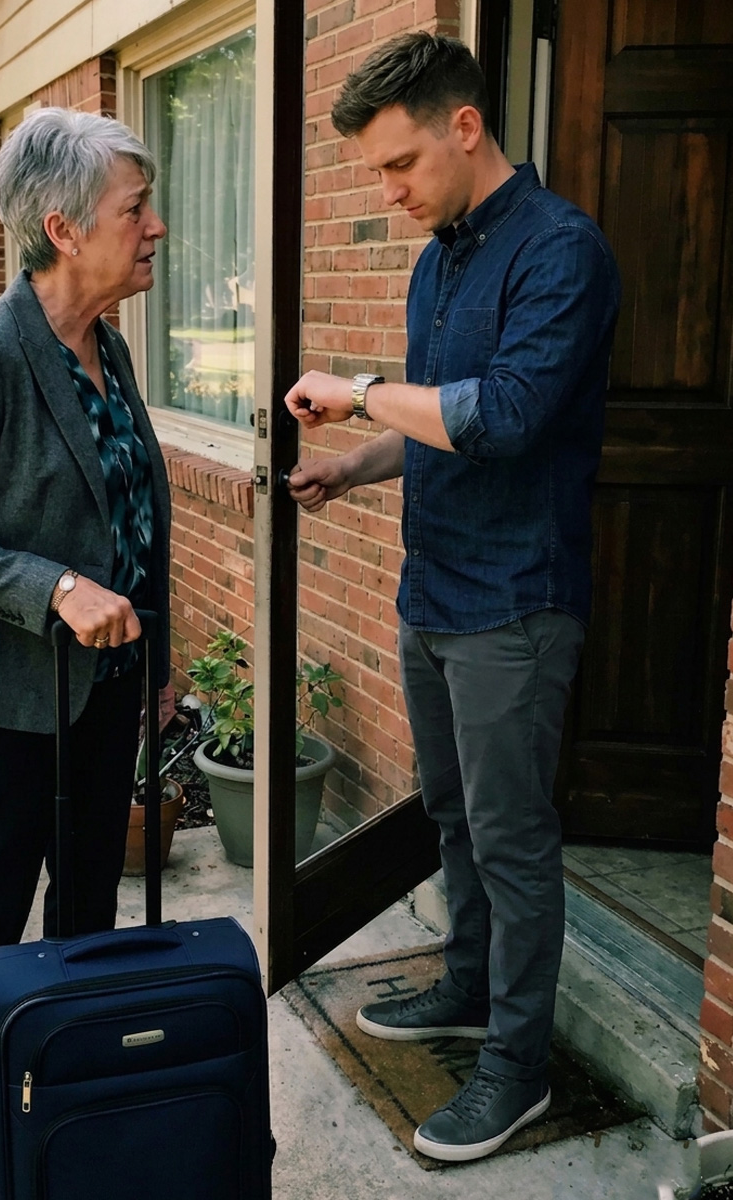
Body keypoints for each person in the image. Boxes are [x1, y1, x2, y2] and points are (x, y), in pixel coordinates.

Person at [284, 33, 620, 1163]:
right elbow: (435, 422)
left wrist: (357, 389)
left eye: (400, 164)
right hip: (430, 590)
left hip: (515, 604)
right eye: (377, 171)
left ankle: (516, 1072)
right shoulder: (438, 261)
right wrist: (353, 462)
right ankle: (469, 988)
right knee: (454, 817)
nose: (388, 191)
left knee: (514, 842)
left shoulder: (561, 251)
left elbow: (505, 417)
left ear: (464, 126)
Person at [0, 108, 170, 1200]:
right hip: (7, 691)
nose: (154, 228)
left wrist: (157, 657)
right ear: (62, 227)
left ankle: (63, 1082)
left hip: (106, 682)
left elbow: (132, 513)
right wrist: (53, 588)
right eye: (134, 210)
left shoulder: (110, 345)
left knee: (90, 892)